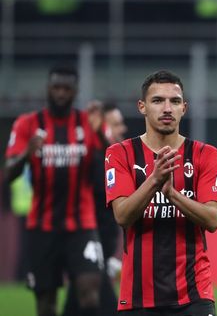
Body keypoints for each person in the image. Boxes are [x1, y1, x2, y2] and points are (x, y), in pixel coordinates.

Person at [105, 70, 217, 315]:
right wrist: (155, 180)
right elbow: (122, 216)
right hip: (138, 297)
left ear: (184, 108)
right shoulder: (119, 154)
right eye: (158, 100)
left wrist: (172, 195)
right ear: (142, 107)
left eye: (175, 101)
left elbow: (213, 220)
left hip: (194, 295)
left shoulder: (206, 154)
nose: (167, 108)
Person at [3, 66, 104, 316]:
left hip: (82, 226)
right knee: (46, 303)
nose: (60, 93)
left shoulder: (86, 123)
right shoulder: (27, 124)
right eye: (56, 87)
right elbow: (8, 172)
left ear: (75, 91)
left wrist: (101, 131)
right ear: (48, 89)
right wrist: (26, 154)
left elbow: (110, 162)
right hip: (42, 228)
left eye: (66, 89)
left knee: (90, 293)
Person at [64, 101, 128, 316]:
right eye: (117, 124)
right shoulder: (93, 160)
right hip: (88, 246)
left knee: (76, 303)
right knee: (107, 306)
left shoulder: (116, 159)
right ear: (104, 127)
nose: (123, 129)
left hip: (99, 249)